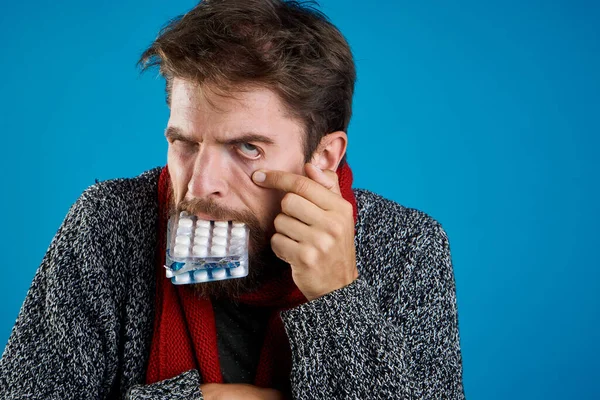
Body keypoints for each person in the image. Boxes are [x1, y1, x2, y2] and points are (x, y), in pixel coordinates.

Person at [0, 0, 465, 398]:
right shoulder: (109, 222)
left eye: (246, 148)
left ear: (324, 155)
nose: (200, 187)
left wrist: (337, 295)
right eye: (185, 142)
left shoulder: (406, 247)